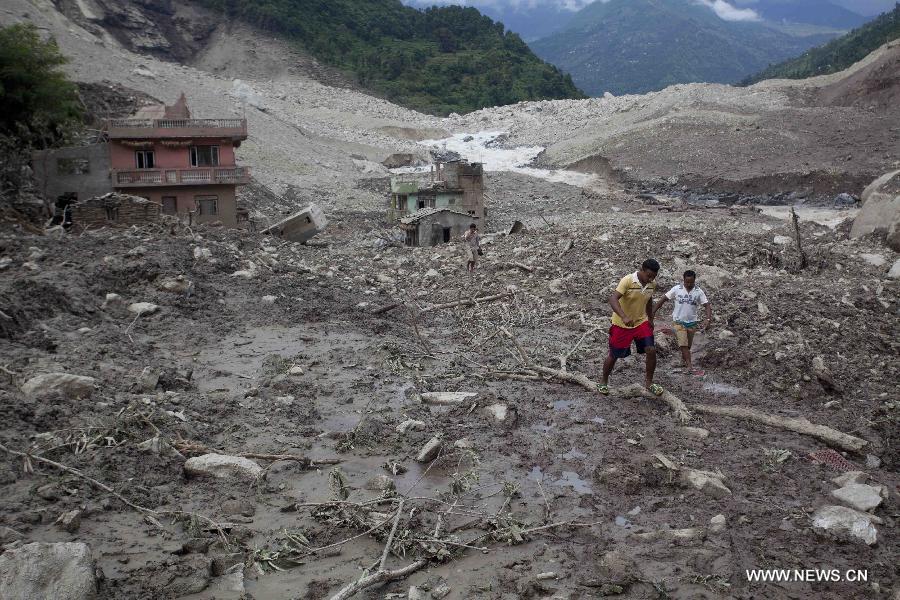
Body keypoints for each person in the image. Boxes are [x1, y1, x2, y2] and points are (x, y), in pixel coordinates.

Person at [599, 259, 663, 396]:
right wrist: (623, 316)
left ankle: (649, 382)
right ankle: (603, 381)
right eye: (648, 275)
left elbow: (648, 299)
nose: (650, 279)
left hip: (641, 322)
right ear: (642, 270)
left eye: (653, 277)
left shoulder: (652, 284)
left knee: (651, 350)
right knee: (614, 354)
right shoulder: (627, 280)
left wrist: (650, 318)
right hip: (621, 324)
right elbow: (613, 299)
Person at [653, 269, 711, 376]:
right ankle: (690, 367)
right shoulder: (677, 289)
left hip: (692, 323)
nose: (689, 284)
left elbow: (707, 305)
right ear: (683, 280)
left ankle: (683, 362)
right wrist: (652, 312)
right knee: (683, 345)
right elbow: (663, 299)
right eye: (686, 282)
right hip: (678, 322)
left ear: (694, 280)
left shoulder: (699, 291)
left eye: (691, 282)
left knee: (687, 346)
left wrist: (707, 320)